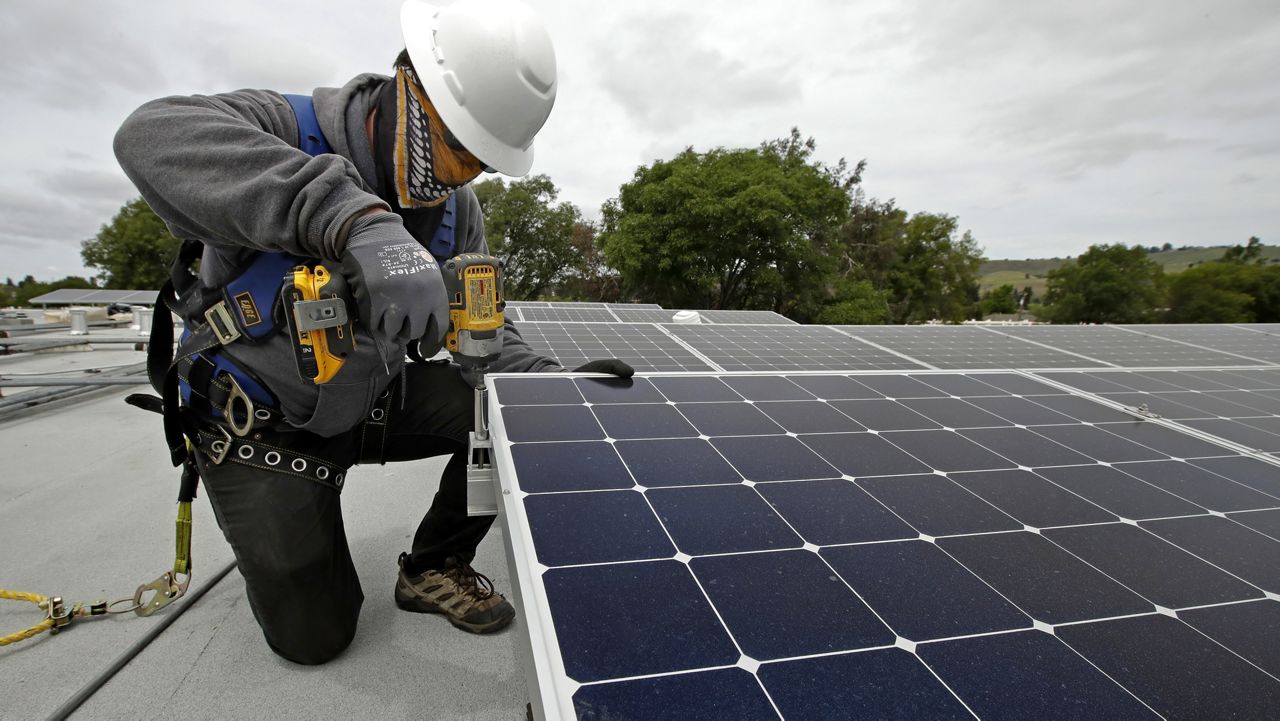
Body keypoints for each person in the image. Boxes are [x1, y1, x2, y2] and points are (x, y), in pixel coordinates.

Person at [113, 0, 631, 665]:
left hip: (369, 400)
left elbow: (476, 329)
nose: (458, 176)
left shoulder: (455, 214)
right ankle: (293, 515)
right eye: (455, 149)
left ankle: (434, 562)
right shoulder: (286, 129)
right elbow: (148, 134)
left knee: (502, 415)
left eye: (480, 164)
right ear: (409, 88)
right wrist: (352, 219)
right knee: (316, 638)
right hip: (261, 425)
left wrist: (543, 382)